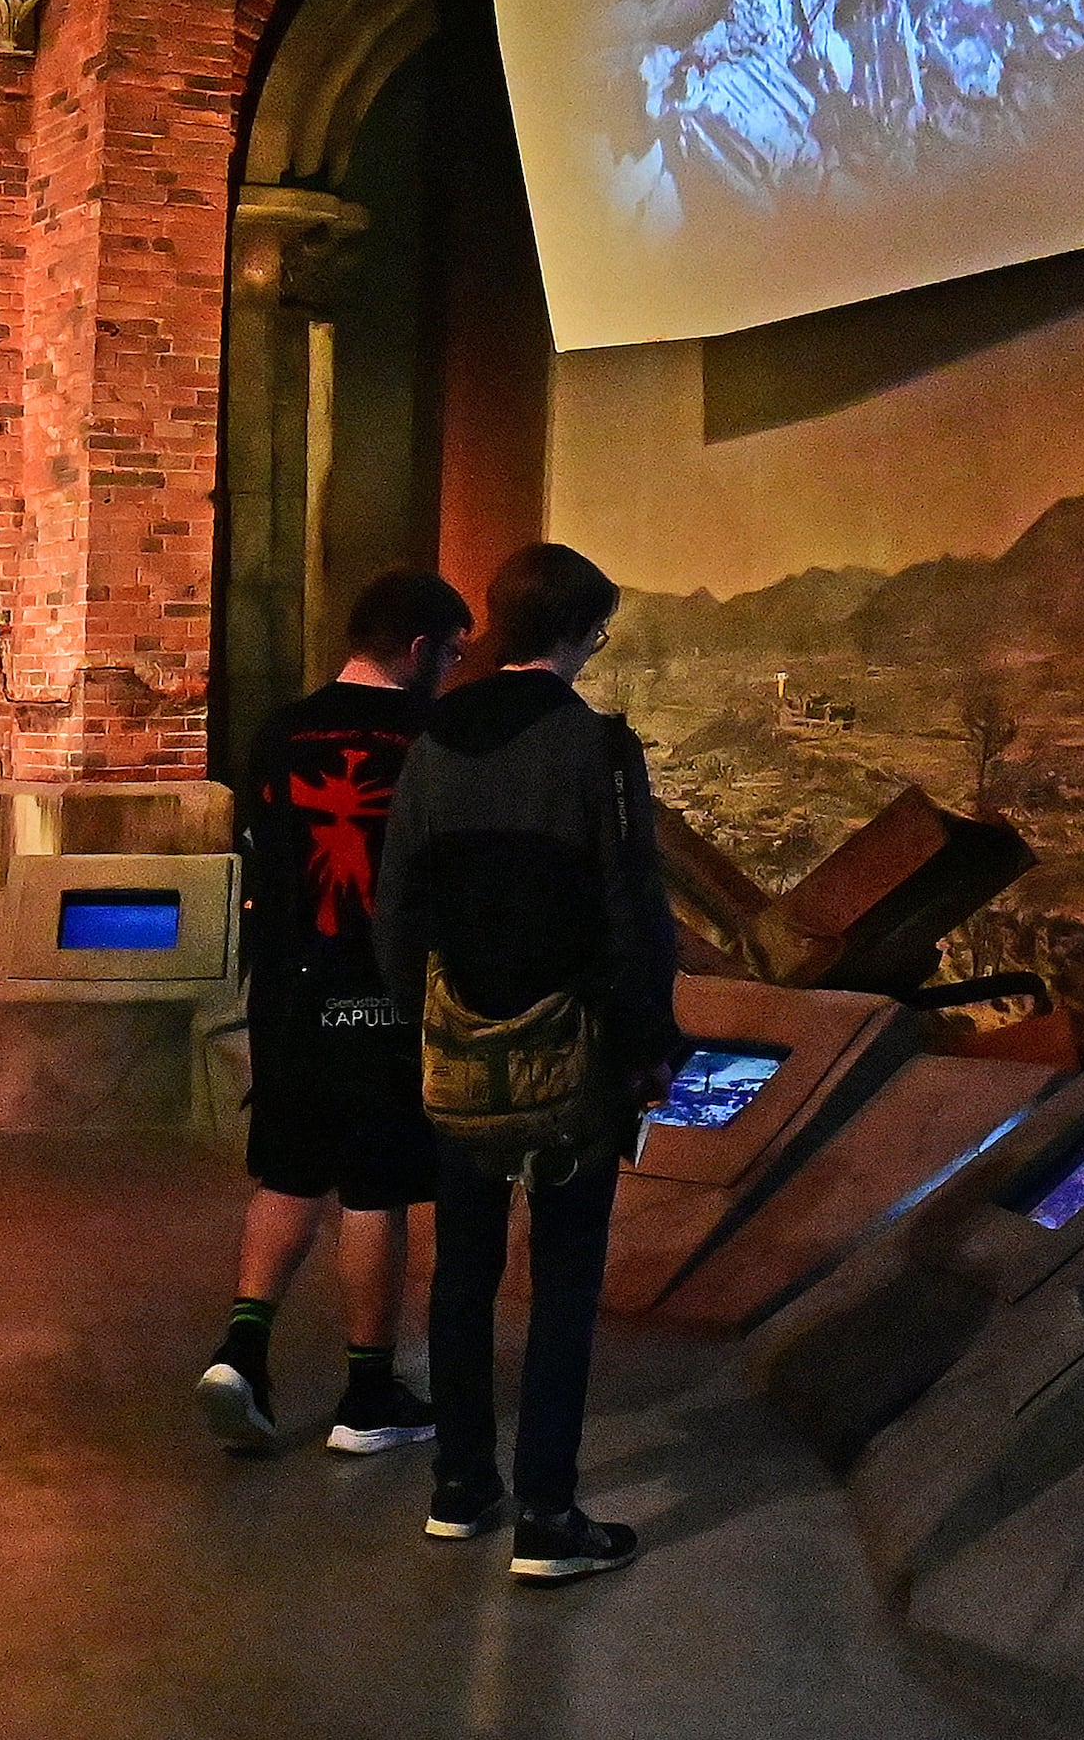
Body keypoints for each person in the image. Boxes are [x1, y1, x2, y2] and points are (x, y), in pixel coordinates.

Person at [375, 540, 676, 1583]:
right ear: (579, 630)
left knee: (460, 1270)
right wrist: (645, 1048)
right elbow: (632, 910)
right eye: (597, 628)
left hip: (458, 1051)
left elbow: (398, 904)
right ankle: (548, 1515)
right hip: (570, 1060)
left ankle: (461, 1487)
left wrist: (420, 1019)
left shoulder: (434, 739)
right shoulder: (595, 748)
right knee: (560, 1280)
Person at [199, 568, 466, 1458]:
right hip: (382, 994)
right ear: (422, 650)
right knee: (376, 1190)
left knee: (288, 1171)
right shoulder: (434, 736)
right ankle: (367, 1392)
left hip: (287, 990)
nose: (455, 671)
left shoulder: (280, 730)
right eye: (454, 654)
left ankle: (243, 1347)